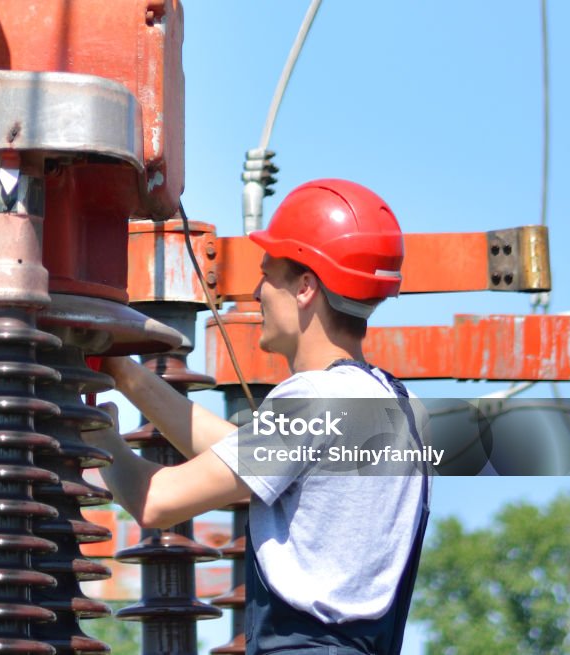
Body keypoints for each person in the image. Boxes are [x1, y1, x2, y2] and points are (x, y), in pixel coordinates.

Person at [82, 179, 430, 655]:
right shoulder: (397, 407)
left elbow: (157, 502)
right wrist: (127, 375)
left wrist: (99, 441)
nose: (255, 290)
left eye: (268, 274)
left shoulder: (313, 400)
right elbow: (246, 456)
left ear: (306, 287)